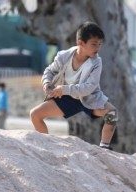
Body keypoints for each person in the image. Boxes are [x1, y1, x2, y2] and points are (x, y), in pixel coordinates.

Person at [29, 22, 118, 150]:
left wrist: (64, 89)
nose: (97, 48)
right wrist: (47, 83)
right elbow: (49, 71)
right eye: (94, 44)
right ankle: (46, 148)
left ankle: (104, 148)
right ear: (81, 43)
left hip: (88, 97)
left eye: (100, 44)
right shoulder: (64, 56)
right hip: (66, 97)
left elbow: (90, 87)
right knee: (35, 114)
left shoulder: (97, 61)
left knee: (112, 113)